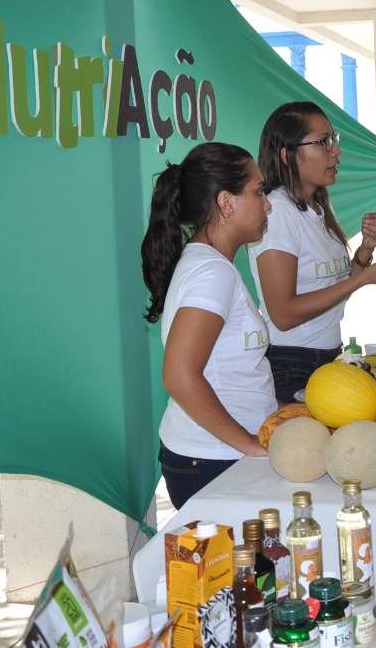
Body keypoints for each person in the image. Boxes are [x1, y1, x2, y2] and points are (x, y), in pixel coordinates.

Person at [141, 142, 278, 509]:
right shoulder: (212, 272)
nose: (267, 203)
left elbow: (232, 371)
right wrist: (248, 443)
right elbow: (179, 375)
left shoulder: (213, 264)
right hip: (213, 461)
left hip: (219, 456)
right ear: (226, 202)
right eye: (259, 191)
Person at [250, 102, 376, 403]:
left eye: (334, 140)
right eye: (323, 142)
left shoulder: (320, 204)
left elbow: (334, 291)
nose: (336, 151)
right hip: (290, 361)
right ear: (287, 154)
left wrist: (364, 252)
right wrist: (363, 278)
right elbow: (283, 314)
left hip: (328, 354)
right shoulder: (278, 211)